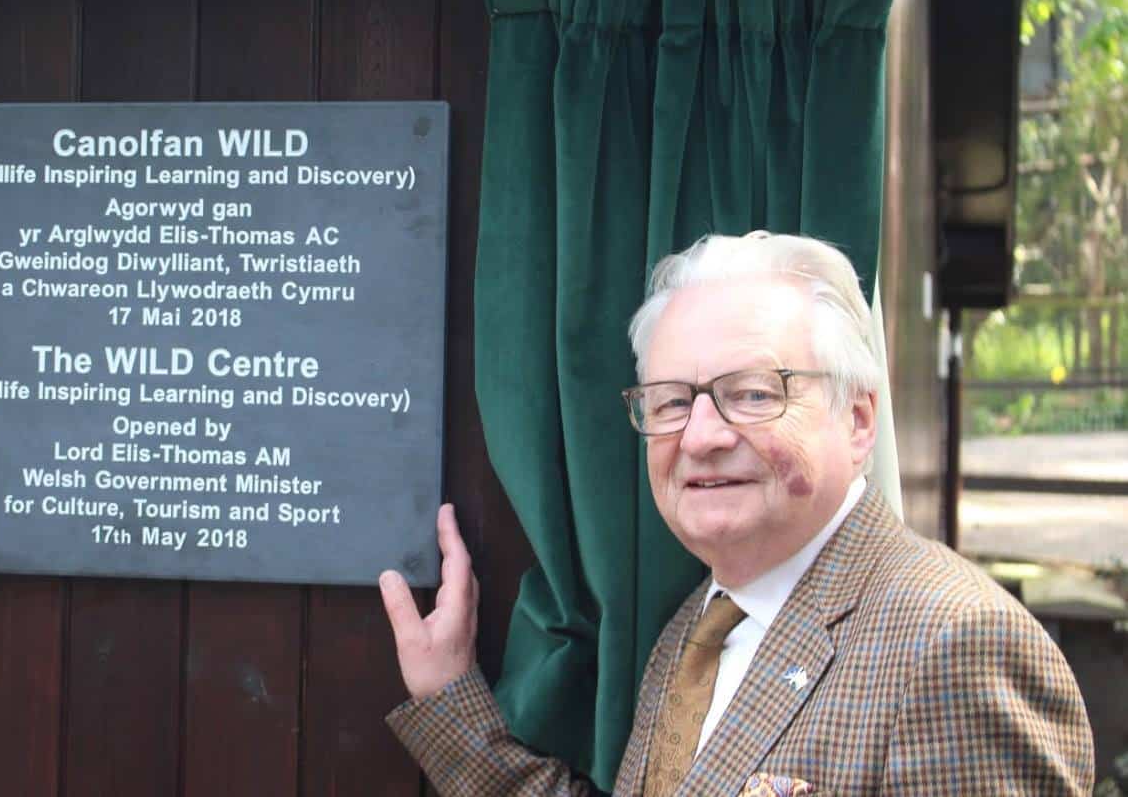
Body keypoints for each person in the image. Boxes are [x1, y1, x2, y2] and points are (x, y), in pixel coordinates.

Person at [378, 232, 1093, 796]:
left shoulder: (955, 645)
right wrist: (448, 700)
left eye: (752, 393)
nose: (701, 435)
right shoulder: (697, 627)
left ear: (856, 418)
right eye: (670, 401)